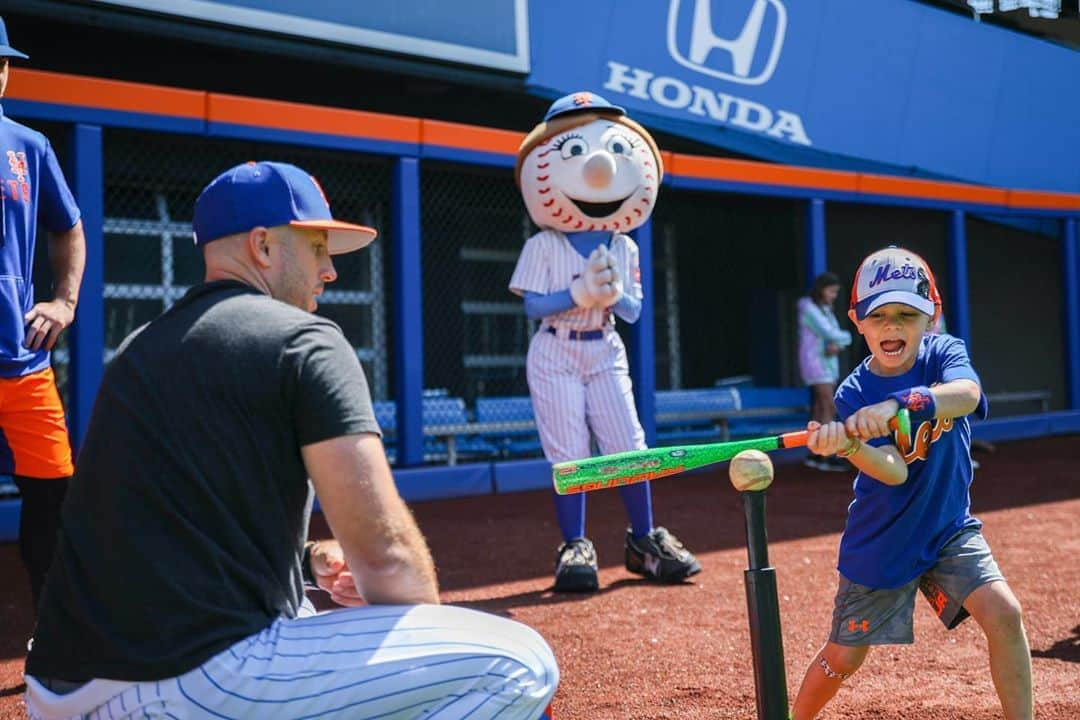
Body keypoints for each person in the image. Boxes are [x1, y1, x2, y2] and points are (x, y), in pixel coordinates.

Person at [25, 161, 559, 719]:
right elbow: (389, 557)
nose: (330, 271)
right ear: (262, 246)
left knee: (302, 611)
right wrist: (416, 645)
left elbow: (153, 526)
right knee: (521, 661)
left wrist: (305, 561)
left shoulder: (137, 350)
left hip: (61, 695)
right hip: (194, 685)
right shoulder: (305, 341)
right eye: (317, 248)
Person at [792, 246, 1032, 720]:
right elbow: (894, 471)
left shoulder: (944, 354)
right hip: (883, 540)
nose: (892, 327)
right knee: (844, 655)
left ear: (932, 316)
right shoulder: (853, 393)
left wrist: (901, 405)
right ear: (856, 321)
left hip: (949, 529)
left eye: (907, 314)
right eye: (878, 316)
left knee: (1005, 614)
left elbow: (966, 395)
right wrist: (848, 446)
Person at [510, 91, 700, 592]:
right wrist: (578, 291)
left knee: (627, 443)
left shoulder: (623, 243)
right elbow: (532, 306)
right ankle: (574, 543)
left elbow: (635, 311)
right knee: (569, 453)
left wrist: (611, 294)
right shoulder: (543, 243)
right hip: (555, 347)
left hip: (604, 344)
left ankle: (644, 540)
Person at [0, 16, 86, 615]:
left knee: (53, 495)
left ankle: (55, 640)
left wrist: (65, 301)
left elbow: (69, 227)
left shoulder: (28, 146)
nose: (1, 71)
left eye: (3, 61)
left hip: (22, 359)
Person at [796, 271, 851, 472]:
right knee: (828, 406)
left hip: (825, 364)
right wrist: (848, 337)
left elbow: (834, 338)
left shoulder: (825, 309)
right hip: (816, 365)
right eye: (831, 291)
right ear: (821, 290)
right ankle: (826, 454)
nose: (833, 296)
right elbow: (829, 333)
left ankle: (816, 454)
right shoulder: (809, 308)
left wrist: (840, 343)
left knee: (821, 408)